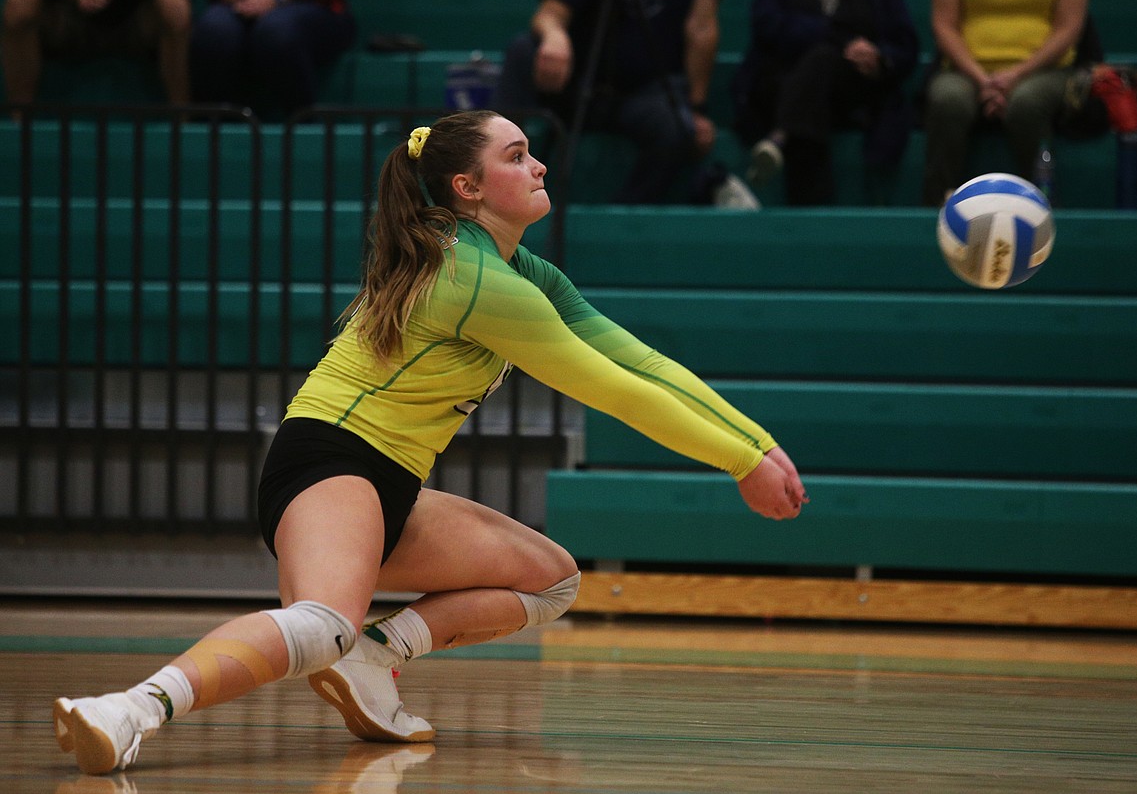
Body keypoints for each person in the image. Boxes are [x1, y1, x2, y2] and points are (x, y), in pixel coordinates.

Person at [52, 109, 808, 775]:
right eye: (514, 155)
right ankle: (131, 709)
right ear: (466, 188)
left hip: (391, 484)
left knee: (551, 581)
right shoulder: (477, 279)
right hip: (328, 460)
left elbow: (640, 360)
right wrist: (739, 462)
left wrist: (759, 443)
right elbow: (612, 389)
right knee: (323, 622)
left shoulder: (521, 270)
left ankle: (378, 657)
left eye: (530, 150)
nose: (538, 163)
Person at [493, 0, 744, 205]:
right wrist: (554, 35)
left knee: (678, 130)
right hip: (577, 82)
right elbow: (550, 13)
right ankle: (495, 177)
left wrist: (696, 107)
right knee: (523, 50)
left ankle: (624, 215)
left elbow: (701, 27)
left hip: (649, 90)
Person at [731, 0, 919, 205]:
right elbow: (768, 27)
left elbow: (905, 47)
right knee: (820, 64)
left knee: (820, 68)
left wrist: (877, 57)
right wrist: (840, 41)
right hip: (784, 84)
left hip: (854, 93)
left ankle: (780, 136)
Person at [921, 0, 1089, 206]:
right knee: (948, 97)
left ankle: (1040, 207)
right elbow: (944, 23)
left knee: (1027, 102)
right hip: (968, 69)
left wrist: (1015, 75)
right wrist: (984, 80)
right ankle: (938, 208)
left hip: (1046, 70)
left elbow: (1069, 27)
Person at [1, 0, 191, 108]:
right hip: (69, 15)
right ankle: (21, 124)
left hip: (137, 16)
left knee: (175, 7)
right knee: (19, 3)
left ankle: (181, 127)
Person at [190, 0, 357, 121]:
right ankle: (212, 132)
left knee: (276, 30)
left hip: (313, 3)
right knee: (214, 30)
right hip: (239, 1)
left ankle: (303, 128)